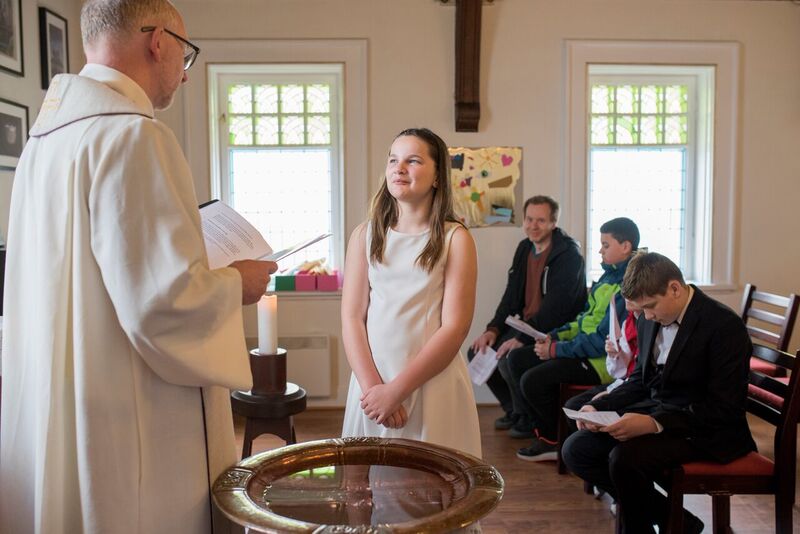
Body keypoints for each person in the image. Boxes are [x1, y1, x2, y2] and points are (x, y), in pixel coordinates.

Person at [0, 1, 277, 533]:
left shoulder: (45, 141)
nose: (185, 73)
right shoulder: (134, 136)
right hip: (130, 413)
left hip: (66, 395)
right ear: (159, 42)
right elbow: (165, 304)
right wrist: (235, 283)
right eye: (186, 54)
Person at [562, 252, 755, 534]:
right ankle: (676, 520)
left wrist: (654, 423)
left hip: (707, 429)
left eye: (650, 307)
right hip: (663, 410)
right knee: (577, 449)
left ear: (675, 288)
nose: (647, 316)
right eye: (642, 310)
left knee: (625, 459)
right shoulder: (649, 316)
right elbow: (642, 376)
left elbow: (723, 408)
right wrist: (598, 405)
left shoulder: (723, 327)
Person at [341, 127, 481, 458]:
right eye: (393, 159)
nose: (398, 168)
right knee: (365, 493)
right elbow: (351, 317)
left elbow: (454, 328)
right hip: (370, 381)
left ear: (436, 178)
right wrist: (375, 389)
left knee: (432, 495)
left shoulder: (455, 239)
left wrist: (397, 392)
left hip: (431, 382)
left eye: (413, 160)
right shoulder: (365, 235)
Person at [507, 217, 639, 460]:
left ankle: (552, 439)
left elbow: (601, 340)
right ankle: (545, 427)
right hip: (584, 350)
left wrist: (556, 350)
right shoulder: (606, 278)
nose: (600, 250)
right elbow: (583, 320)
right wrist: (553, 336)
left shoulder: (626, 286)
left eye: (605, 245)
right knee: (517, 359)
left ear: (626, 247)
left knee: (532, 380)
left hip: (601, 362)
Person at [467, 196, 586, 432]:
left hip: (554, 329)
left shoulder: (568, 255)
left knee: (508, 358)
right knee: (479, 351)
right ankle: (515, 412)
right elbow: (511, 295)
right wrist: (493, 329)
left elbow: (557, 309)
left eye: (540, 221)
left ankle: (528, 419)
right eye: (529, 219)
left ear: (553, 223)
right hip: (526, 324)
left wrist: (521, 339)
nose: (533, 225)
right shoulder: (524, 248)